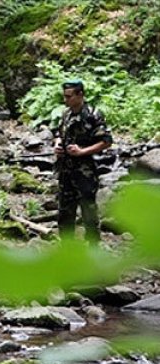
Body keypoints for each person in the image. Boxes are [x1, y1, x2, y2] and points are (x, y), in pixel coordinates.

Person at [54, 79, 112, 244]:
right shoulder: (66, 114)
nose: (66, 100)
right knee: (65, 212)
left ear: (80, 95)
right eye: (64, 96)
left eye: (69, 96)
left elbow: (106, 141)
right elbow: (59, 134)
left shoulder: (93, 114)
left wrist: (82, 151)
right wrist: (57, 145)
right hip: (65, 170)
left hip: (84, 171)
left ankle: (94, 248)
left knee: (89, 212)